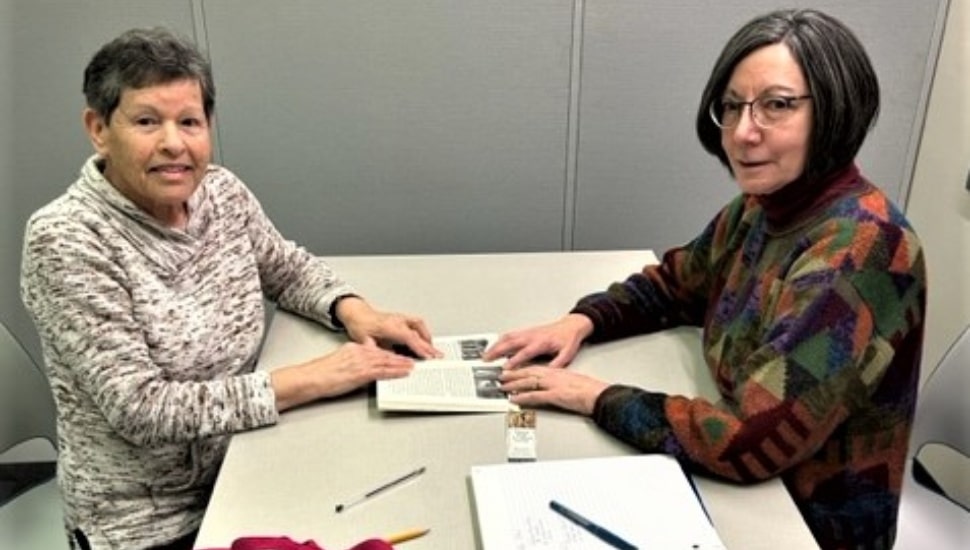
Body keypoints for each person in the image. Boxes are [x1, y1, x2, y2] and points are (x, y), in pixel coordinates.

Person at [485, 9, 926, 550]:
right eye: (732, 107)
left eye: (777, 105)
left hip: (806, 524)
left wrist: (596, 397)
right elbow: (675, 284)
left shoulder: (863, 249)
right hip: (744, 495)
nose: (743, 132)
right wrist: (581, 321)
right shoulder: (763, 208)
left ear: (835, 109)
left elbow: (749, 440)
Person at [20, 28, 441, 550]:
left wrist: (352, 310)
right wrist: (312, 379)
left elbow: (285, 268)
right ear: (98, 129)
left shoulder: (220, 191)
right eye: (147, 121)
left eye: (190, 122)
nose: (174, 142)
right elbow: (142, 410)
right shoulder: (65, 240)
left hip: (246, 460)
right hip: (148, 524)